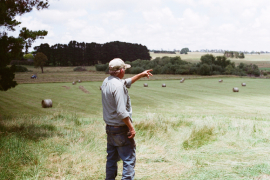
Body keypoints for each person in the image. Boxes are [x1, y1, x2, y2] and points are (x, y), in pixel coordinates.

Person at [101, 58, 153, 180]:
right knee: (129, 160)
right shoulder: (118, 86)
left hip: (110, 128)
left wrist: (141, 74)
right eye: (124, 68)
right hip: (120, 129)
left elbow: (127, 82)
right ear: (121, 70)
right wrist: (131, 127)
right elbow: (121, 112)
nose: (125, 71)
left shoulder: (107, 81)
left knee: (111, 159)